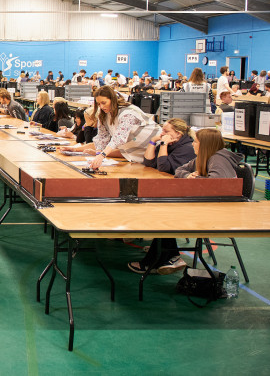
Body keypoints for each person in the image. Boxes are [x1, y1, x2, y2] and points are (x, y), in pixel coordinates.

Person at [128, 129, 240, 275]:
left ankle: (158, 259)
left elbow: (217, 186)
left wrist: (198, 179)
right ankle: (168, 254)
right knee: (164, 210)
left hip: (220, 212)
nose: (193, 144)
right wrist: (189, 176)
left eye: (196, 142)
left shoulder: (219, 160)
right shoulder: (203, 157)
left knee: (168, 215)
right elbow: (180, 170)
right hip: (207, 205)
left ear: (205, 145)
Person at [59, 86, 159, 170]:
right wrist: (98, 153)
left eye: (104, 103)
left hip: (155, 149)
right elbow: (102, 138)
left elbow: (119, 137)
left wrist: (102, 156)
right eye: (98, 104)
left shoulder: (128, 113)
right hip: (137, 156)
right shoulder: (104, 115)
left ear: (112, 99)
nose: (101, 107)